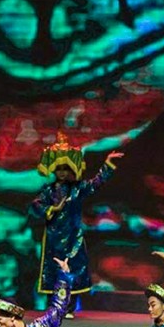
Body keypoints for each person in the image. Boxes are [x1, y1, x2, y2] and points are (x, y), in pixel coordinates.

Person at [27, 131, 124, 311]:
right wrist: (51, 209)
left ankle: (70, 307)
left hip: (73, 237)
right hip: (54, 238)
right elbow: (36, 205)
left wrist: (107, 164)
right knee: (53, 271)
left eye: (65, 169)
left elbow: (96, 183)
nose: (62, 173)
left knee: (73, 270)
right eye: (59, 169)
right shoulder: (48, 191)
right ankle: (53, 307)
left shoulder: (77, 189)